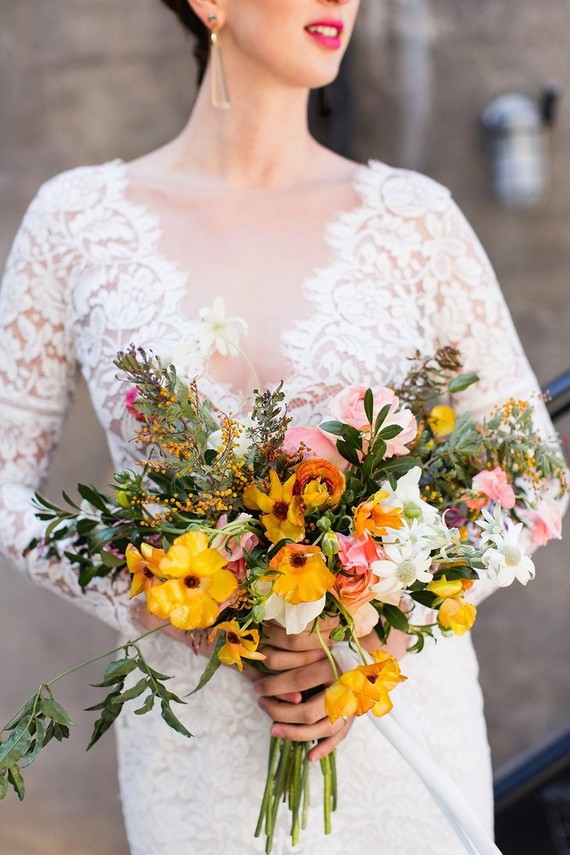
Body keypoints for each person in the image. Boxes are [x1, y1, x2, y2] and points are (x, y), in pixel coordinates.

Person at [0, 1, 563, 853]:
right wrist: (171, 602)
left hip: (395, 723)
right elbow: (6, 485)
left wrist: (382, 613)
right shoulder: (74, 223)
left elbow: (536, 472)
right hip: (198, 750)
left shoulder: (414, 220)